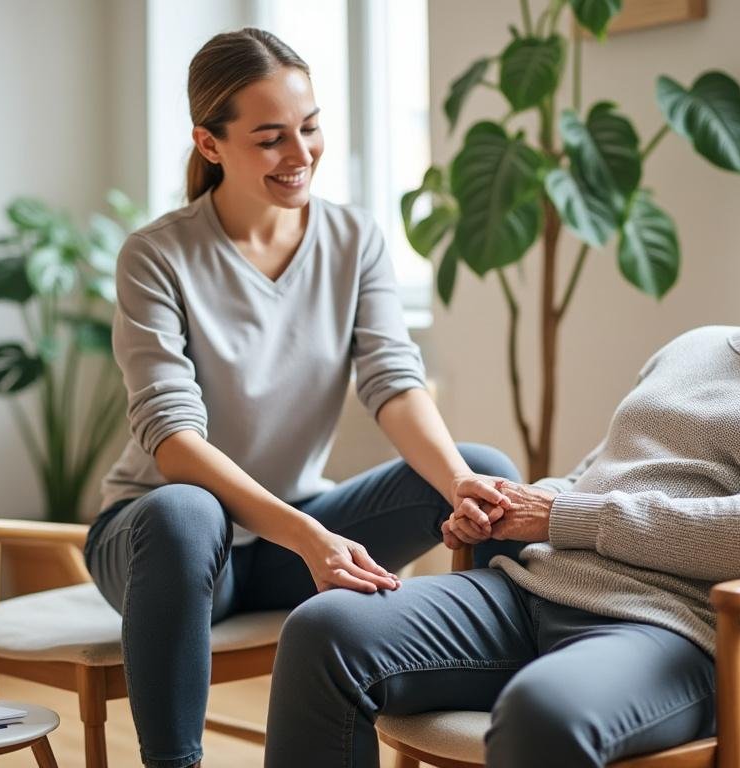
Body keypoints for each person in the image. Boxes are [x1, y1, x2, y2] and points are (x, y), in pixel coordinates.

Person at [264, 163, 740, 767]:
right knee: (326, 631)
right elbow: (599, 476)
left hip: (681, 633)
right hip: (535, 592)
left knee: (546, 709)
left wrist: (563, 514)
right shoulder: (700, 346)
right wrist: (518, 504)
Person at [83, 28, 520, 768]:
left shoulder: (353, 238)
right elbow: (172, 439)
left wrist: (457, 482)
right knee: (187, 509)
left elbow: (392, 381)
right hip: (169, 542)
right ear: (210, 143)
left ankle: (489, 722)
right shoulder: (156, 256)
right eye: (270, 138)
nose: (301, 154)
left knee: (480, 466)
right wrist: (309, 538)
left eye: (310, 128)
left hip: (291, 537)